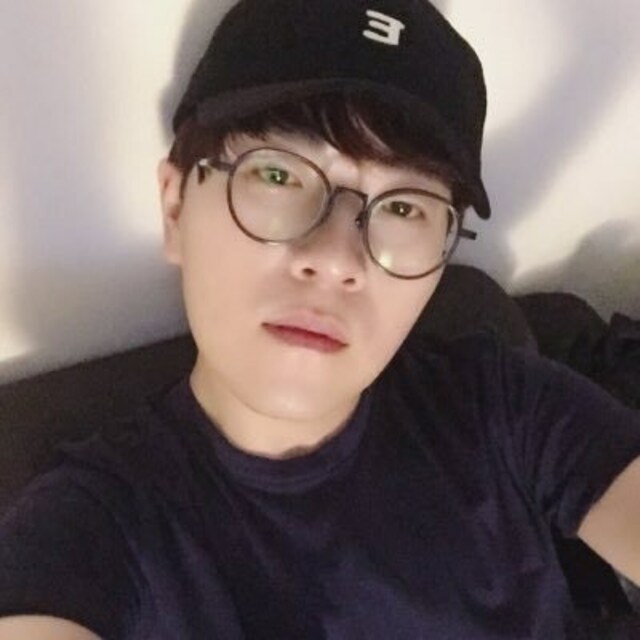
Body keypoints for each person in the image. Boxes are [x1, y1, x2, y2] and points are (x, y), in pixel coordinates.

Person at [1, 1, 639, 638]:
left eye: (405, 208)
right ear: (176, 208)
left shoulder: (500, 404)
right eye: (278, 174)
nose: (336, 259)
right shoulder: (92, 527)